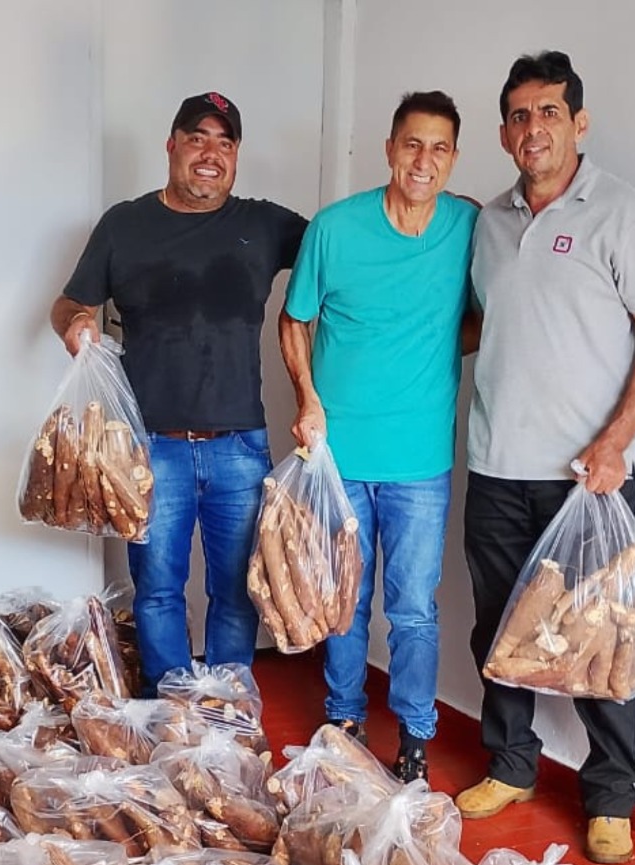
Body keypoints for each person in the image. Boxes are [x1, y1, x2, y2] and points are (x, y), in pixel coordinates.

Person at [455, 51, 635, 864]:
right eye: (519, 115)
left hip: (590, 480)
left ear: (578, 123)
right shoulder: (487, 222)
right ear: (504, 131)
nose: (533, 128)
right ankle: (512, 764)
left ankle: (612, 792)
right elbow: (483, 326)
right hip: (497, 465)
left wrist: (615, 442)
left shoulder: (623, 214)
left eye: (548, 112)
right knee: (501, 629)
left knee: (602, 636)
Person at [50, 91, 307, 692]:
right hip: (150, 446)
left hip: (239, 446)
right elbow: (70, 299)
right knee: (158, 587)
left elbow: (345, 245)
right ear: (172, 145)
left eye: (224, 142)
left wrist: (431, 207)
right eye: (197, 138)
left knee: (236, 587)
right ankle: (171, 713)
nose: (210, 154)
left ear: (236, 155)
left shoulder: (264, 225)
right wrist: (75, 322)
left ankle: (226, 706)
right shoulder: (124, 224)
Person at [277, 92, 477, 784]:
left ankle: (416, 736)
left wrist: (431, 350)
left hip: (421, 462)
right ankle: (345, 717)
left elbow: (480, 319)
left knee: (414, 608)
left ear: (454, 159)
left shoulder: (468, 228)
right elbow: (294, 320)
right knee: (343, 598)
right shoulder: (335, 229)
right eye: (412, 145)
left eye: (440, 148)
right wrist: (307, 396)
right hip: (338, 459)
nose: (424, 161)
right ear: (389, 149)